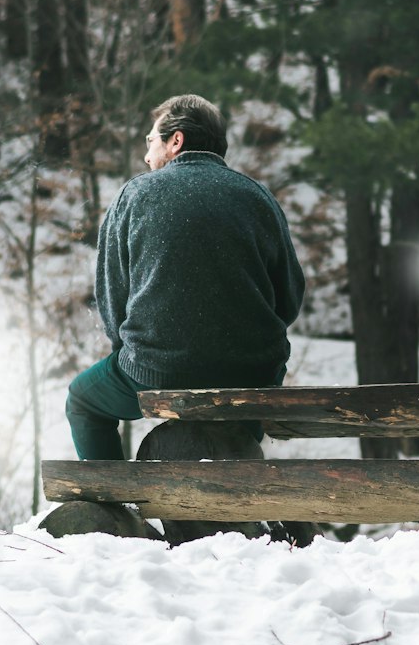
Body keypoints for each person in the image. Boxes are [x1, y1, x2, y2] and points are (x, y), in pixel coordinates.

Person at [65, 93, 305, 465]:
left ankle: (109, 508)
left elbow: (112, 295)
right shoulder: (258, 198)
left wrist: (129, 351)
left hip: (158, 368)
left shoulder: (134, 195)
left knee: (82, 400)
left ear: (176, 140)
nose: (147, 156)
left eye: (151, 141)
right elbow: (289, 297)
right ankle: (237, 475)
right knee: (240, 413)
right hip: (251, 373)